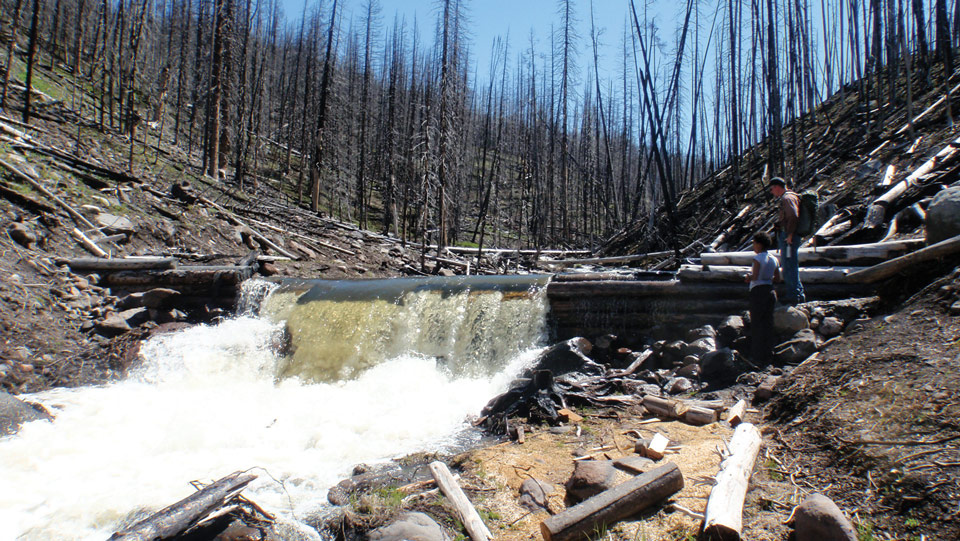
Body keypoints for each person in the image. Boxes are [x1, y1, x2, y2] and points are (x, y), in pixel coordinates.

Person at [746, 232, 781, 364]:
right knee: (768, 323)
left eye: (754, 243)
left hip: (758, 292)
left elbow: (755, 277)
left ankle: (757, 356)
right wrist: (767, 277)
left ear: (759, 244)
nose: (754, 246)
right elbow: (777, 278)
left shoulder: (757, 258)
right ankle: (769, 354)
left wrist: (748, 276)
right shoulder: (774, 259)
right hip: (770, 291)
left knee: (757, 324)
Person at [768, 177, 805, 304]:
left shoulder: (787, 198)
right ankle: (797, 294)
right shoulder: (791, 196)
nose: (772, 192)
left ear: (777, 187)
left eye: (772, 189)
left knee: (788, 265)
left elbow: (793, 215)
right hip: (790, 235)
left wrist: (789, 234)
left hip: (789, 238)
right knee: (790, 264)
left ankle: (794, 296)